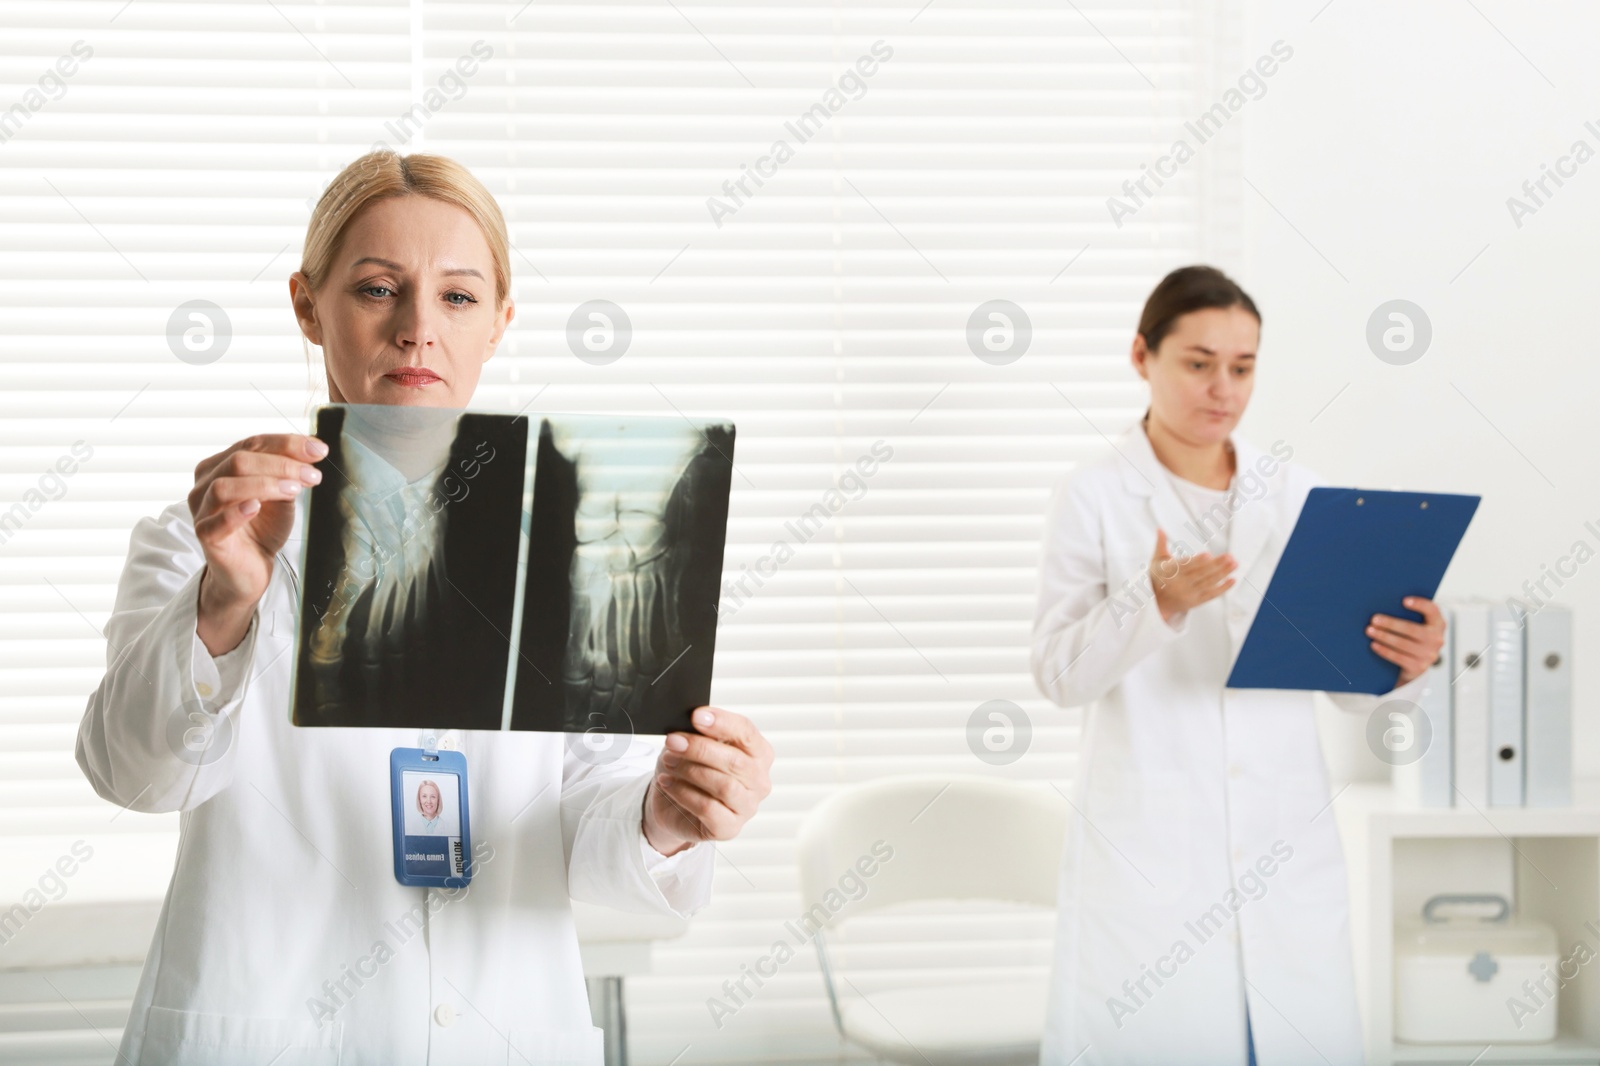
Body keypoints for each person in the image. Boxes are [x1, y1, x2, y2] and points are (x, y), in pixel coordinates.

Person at [76, 150, 775, 1066]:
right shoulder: (205, 538)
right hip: (266, 1030)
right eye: (376, 289)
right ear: (305, 305)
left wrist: (671, 815)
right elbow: (134, 774)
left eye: (456, 297)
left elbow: (587, 816)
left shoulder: (576, 545)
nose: (417, 331)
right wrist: (225, 602)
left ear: (500, 321)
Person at [1032, 265, 1446, 1066]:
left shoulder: (1299, 495)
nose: (1223, 388)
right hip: (1152, 867)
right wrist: (1152, 603)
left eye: (1243, 366)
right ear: (1141, 356)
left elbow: (1351, 693)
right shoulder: (1092, 497)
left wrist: (1406, 663)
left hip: (1284, 854)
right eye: (1198, 362)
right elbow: (1056, 673)